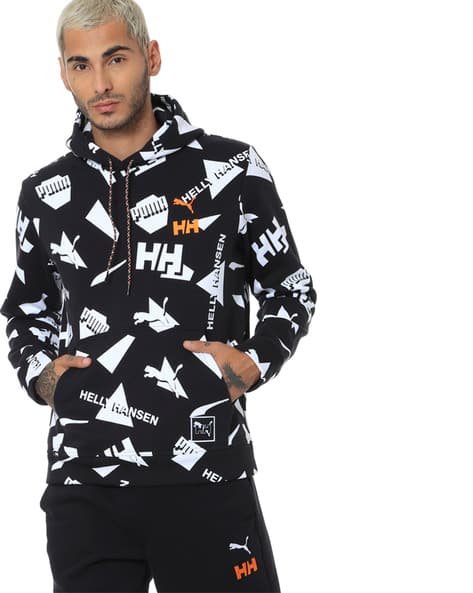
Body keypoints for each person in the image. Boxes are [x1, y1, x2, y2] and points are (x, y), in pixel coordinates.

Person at [0, 0, 316, 591]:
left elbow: (290, 289)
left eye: (116, 59)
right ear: (63, 73)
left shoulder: (231, 169)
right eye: (81, 65)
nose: (101, 83)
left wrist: (253, 361)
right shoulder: (44, 192)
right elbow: (26, 309)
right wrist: (44, 378)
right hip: (84, 482)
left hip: (207, 472)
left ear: (151, 57)